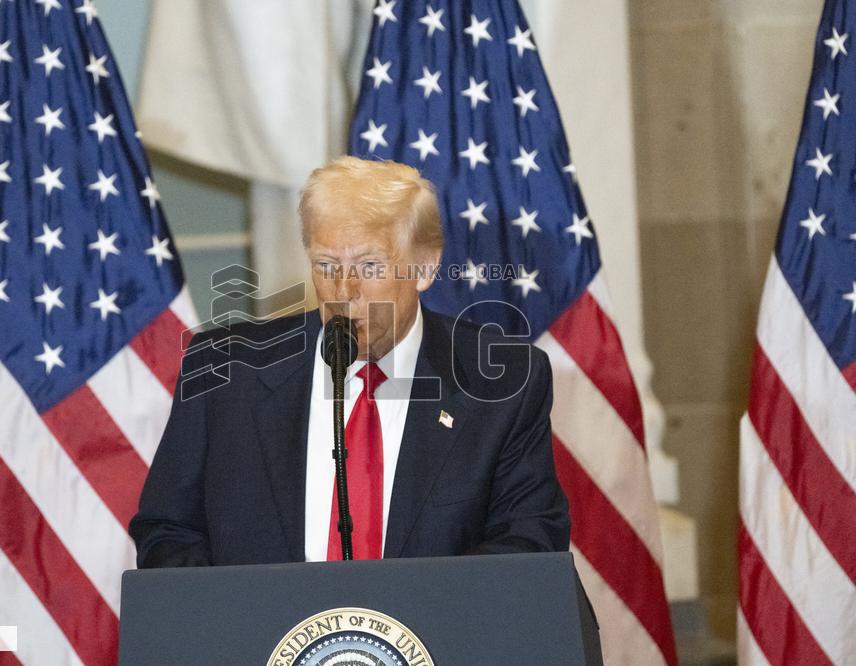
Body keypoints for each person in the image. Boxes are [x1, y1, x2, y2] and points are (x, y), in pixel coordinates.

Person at [129, 156, 570, 567]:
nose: (345, 290)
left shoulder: (503, 383)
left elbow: (528, 544)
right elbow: (168, 532)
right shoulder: (225, 372)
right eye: (326, 265)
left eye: (371, 266)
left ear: (425, 267)